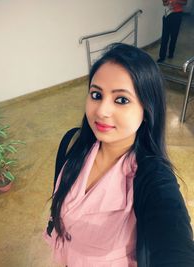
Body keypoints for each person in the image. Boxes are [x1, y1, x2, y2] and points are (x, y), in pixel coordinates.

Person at [44, 43, 194, 266]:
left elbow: (173, 240)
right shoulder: (73, 142)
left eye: (121, 99)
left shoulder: (151, 178)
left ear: (147, 110)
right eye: (96, 94)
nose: (102, 111)